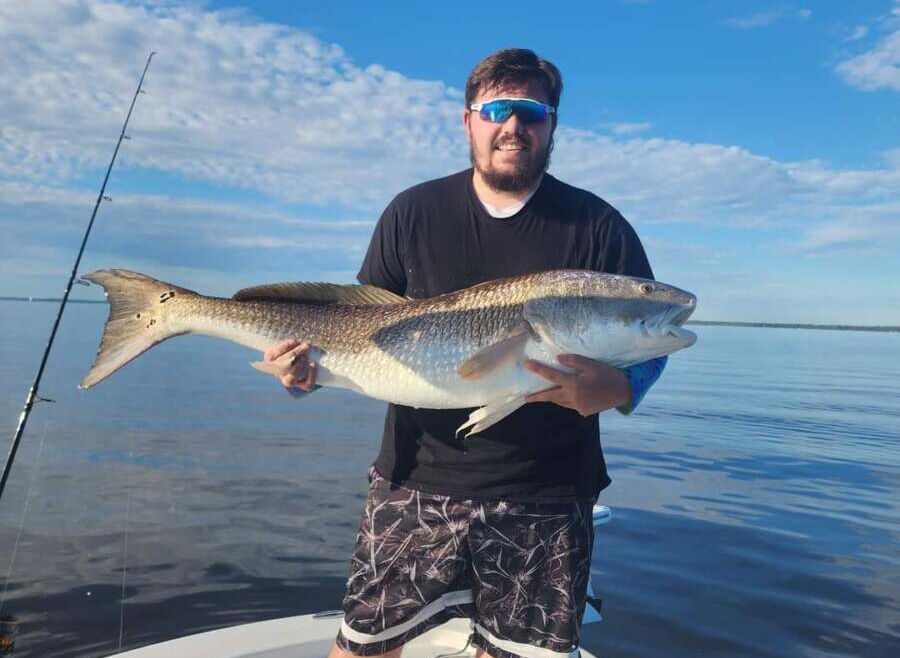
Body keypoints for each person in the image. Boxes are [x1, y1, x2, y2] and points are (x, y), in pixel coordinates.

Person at [265, 48, 667, 658]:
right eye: (498, 109)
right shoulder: (413, 212)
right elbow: (355, 328)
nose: (514, 126)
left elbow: (649, 343)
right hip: (413, 479)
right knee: (362, 648)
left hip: (549, 491)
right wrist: (303, 374)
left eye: (532, 111)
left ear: (552, 124)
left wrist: (617, 390)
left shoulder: (599, 227)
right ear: (469, 120)